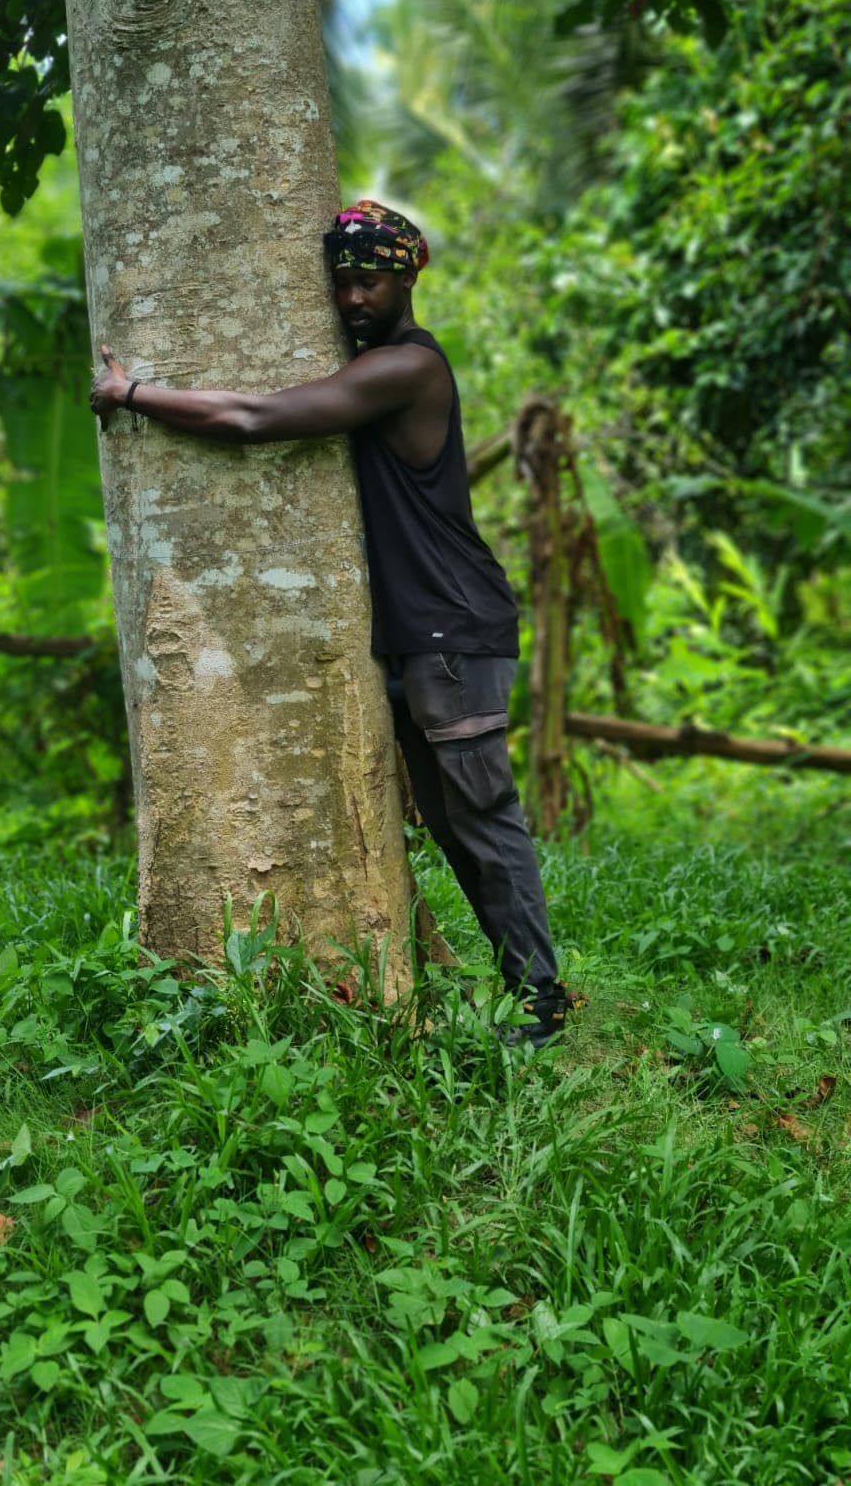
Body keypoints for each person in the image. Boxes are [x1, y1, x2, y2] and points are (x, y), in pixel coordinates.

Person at [88, 199, 567, 1048]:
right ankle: (524, 989)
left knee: (482, 817)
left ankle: (543, 1002)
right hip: (421, 632)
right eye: (341, 282)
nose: (352, 298)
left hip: (453, 630)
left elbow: (256, 420)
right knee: (454, 824)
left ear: (408, 276)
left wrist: (132, 393)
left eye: (370, 281)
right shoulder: (370, 361)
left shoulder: (407, 369)